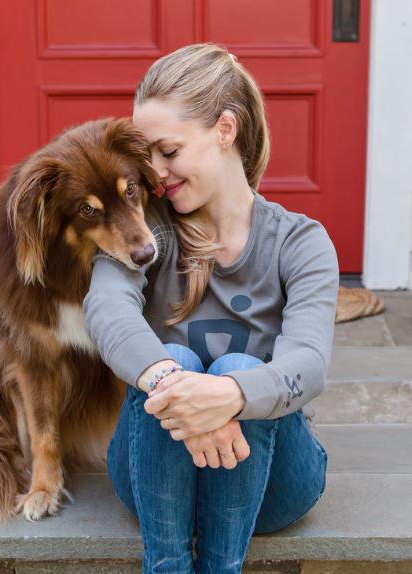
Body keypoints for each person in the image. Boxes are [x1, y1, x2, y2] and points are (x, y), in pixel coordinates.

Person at [83, 43, 339, 574]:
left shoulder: (301, 242)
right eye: (145, 156)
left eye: (168, 151)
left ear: (225, 129)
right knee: (174, 354)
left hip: (273, 482)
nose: (154, 173)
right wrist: (176, 387)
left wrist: (228, 397)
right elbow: (108, 310)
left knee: (241, 369)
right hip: (153, 477)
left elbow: (308, 366)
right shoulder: (143, 232)